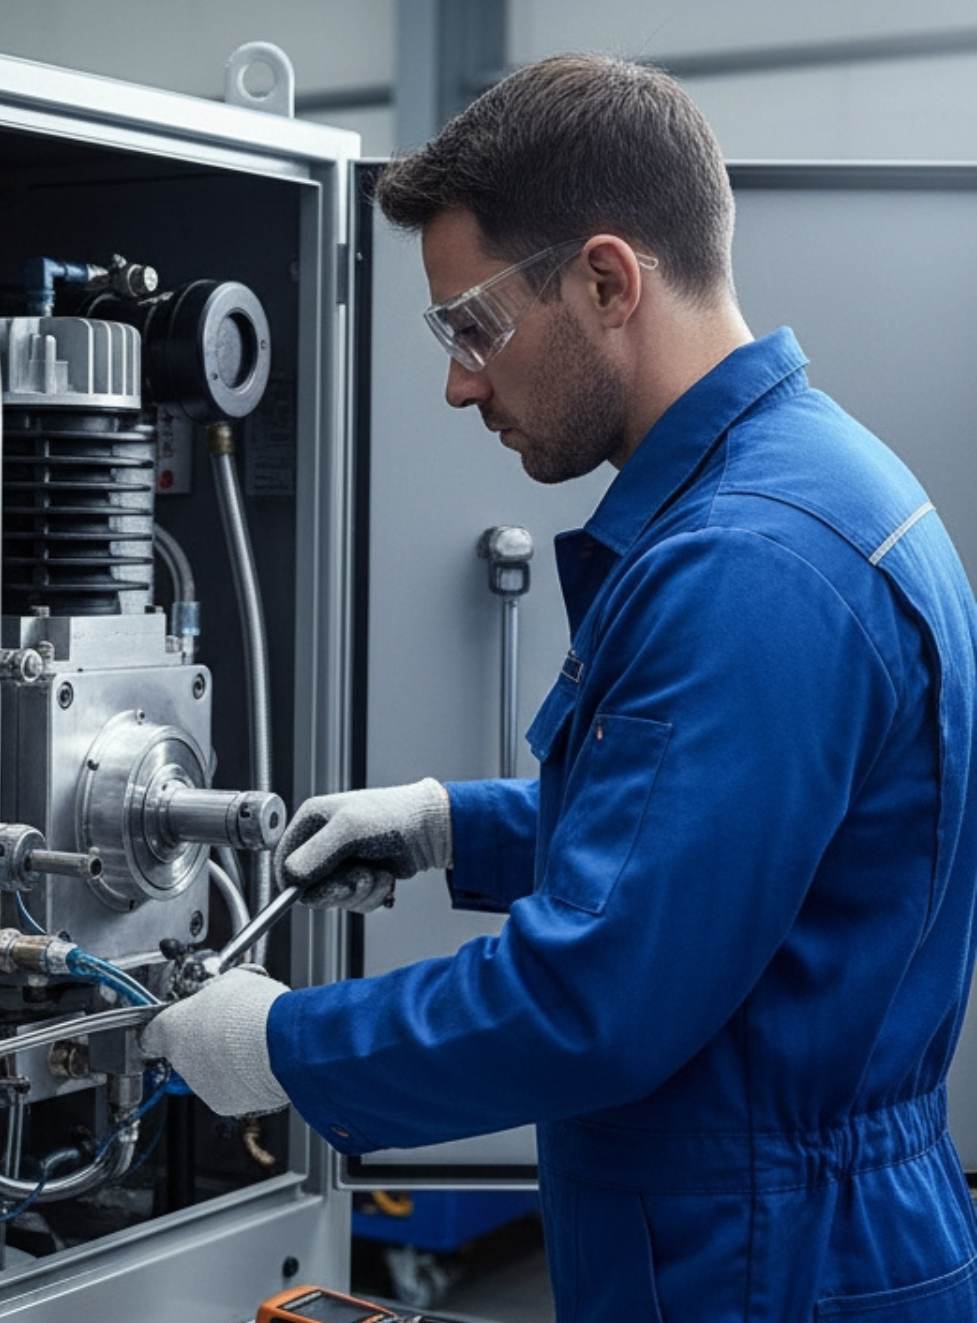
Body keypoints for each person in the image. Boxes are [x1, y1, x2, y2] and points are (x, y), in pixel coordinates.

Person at [143, 53, 977, 1320]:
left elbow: (594, 1001)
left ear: (606, 280)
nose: (458, 382)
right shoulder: (810, 488)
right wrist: (448, 823)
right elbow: (716, 845)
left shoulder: (750, 566)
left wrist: (279, 1048)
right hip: (771, 1232)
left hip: (767, 1264)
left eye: (473, 327)